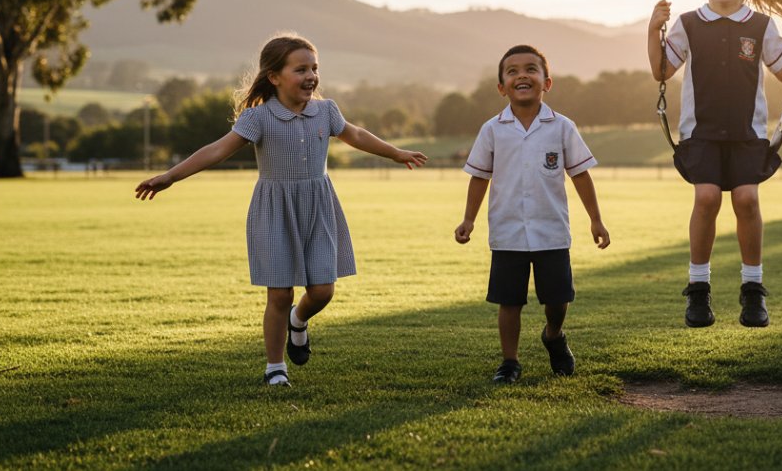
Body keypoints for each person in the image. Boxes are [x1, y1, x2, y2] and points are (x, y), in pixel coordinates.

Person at [135, 34, 427, 386]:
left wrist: (396, 152)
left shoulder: (327, 111)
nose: (311, 76)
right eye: (300, 69)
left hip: (319, 206)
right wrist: (170, 176)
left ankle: (298, 321)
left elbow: (358, 135)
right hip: (275, 210)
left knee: (323, 290)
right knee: (279, 292)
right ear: (274, 76)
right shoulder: (259, 118)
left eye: (314, 68)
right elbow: (216, 150)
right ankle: (275, 368)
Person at [647, 0, 782, 330]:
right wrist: (653, 29)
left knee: (746, 199)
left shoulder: (761, 26)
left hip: (747, 134)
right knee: (707, 197)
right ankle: (698, 289)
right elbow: (662, 70)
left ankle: (753, 289)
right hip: (701, 133)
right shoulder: (688, 24)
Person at [454, 45, 611, 384]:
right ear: (501, 87)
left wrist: (595, 219)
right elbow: (480, 177)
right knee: (508, 300)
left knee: (557, 298)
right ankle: (509, 362)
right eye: (512, 71)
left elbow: (580, 174)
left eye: (530, 69)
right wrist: (469, 219)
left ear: (546, 82)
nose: (521, 75)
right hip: (507, 230)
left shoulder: (562, 127)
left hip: (551, 229)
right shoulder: (492, 130)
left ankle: (553, 335)